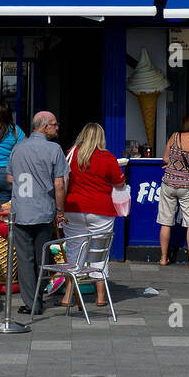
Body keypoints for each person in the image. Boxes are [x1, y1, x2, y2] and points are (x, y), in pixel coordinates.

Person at [7, 111, 68, 316]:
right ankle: (37, 298)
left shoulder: (18, 148)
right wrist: (60, 210)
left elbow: (10, 178)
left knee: (25, 259)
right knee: (42, 257)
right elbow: (59, 183)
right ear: (44, 127)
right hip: (43, 210)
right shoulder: (54, 149)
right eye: (54, 124)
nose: (56, 127)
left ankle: (30, 301)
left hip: (21, 210)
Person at [61, 122, 125, 309]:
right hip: (101, 209)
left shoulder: (71, 155)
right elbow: (119, 183)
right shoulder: (107, 158)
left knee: (73, 251)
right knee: (99, 252)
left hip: (73, 207)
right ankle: (100, 297)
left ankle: (67, 296)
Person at [157, 113, 189, 269]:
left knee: (166, 222)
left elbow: (165, 158)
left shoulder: (175, 136)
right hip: (187, 186)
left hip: (169, 183)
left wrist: (173, 165)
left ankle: (163, 258)